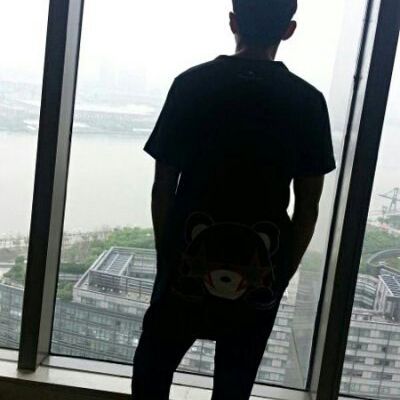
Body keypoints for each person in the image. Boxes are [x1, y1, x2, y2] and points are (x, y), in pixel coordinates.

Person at [132, 0, 336, 399]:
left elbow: (163, 187)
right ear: (289, 30)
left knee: (152, 371)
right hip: (260, 269)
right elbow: (307, 208)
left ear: (233, 22)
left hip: (186, 261)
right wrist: (281, 274)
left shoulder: (191, 84)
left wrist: (167, 258)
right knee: (233, 385)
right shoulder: (308, 102)